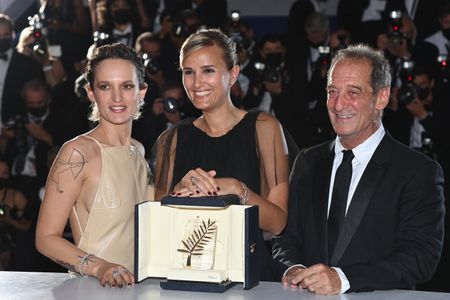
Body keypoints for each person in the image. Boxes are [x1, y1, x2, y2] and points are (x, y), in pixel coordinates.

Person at [272, 44, 445, 294]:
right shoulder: (308, 161)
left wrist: (342, 279)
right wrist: (293, 268)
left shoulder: (417, 171)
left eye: (353, 92)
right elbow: (286, 237)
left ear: (382, 97)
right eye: (332, 91)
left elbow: (421, 258)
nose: (339, 104)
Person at [154, 29, 292, 281]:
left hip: (248, 275)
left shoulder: (263, 127)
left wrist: (237, 189)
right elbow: (159, 224)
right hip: (187, 274)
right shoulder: (171, 139)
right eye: (188, 72)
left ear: (233, 75)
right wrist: (179, 189)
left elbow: (278, 223)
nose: (196, 83)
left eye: (208, 70)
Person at [36, 43, 150, 287]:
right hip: (94, 289)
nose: (117, 97)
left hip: (140, 287)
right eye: (105, 86)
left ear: (141, 92)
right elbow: (45, 238)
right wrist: (100, 267)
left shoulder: (138, 150)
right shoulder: (78, 153)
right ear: (91, 93)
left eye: (127, 86)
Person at [0, 160, 32, 270]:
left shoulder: (16, 196)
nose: (1, 176)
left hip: (17, 248)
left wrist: (8, 220)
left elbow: (27, 226)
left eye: (4, 173)